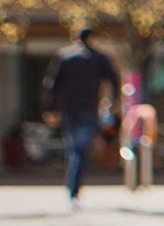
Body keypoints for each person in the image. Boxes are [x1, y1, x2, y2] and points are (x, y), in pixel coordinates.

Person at [41, 26, 118, 210]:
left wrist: (50, 108)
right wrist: (112, 101)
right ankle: (74, 191)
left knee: (74, 149)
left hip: (70, 111)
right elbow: (114, 80)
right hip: (88, 110)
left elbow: (51, 85)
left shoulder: (65, 56)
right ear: (92, 38)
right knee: (80, 151)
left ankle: (72, 189)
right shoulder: (98, 58)